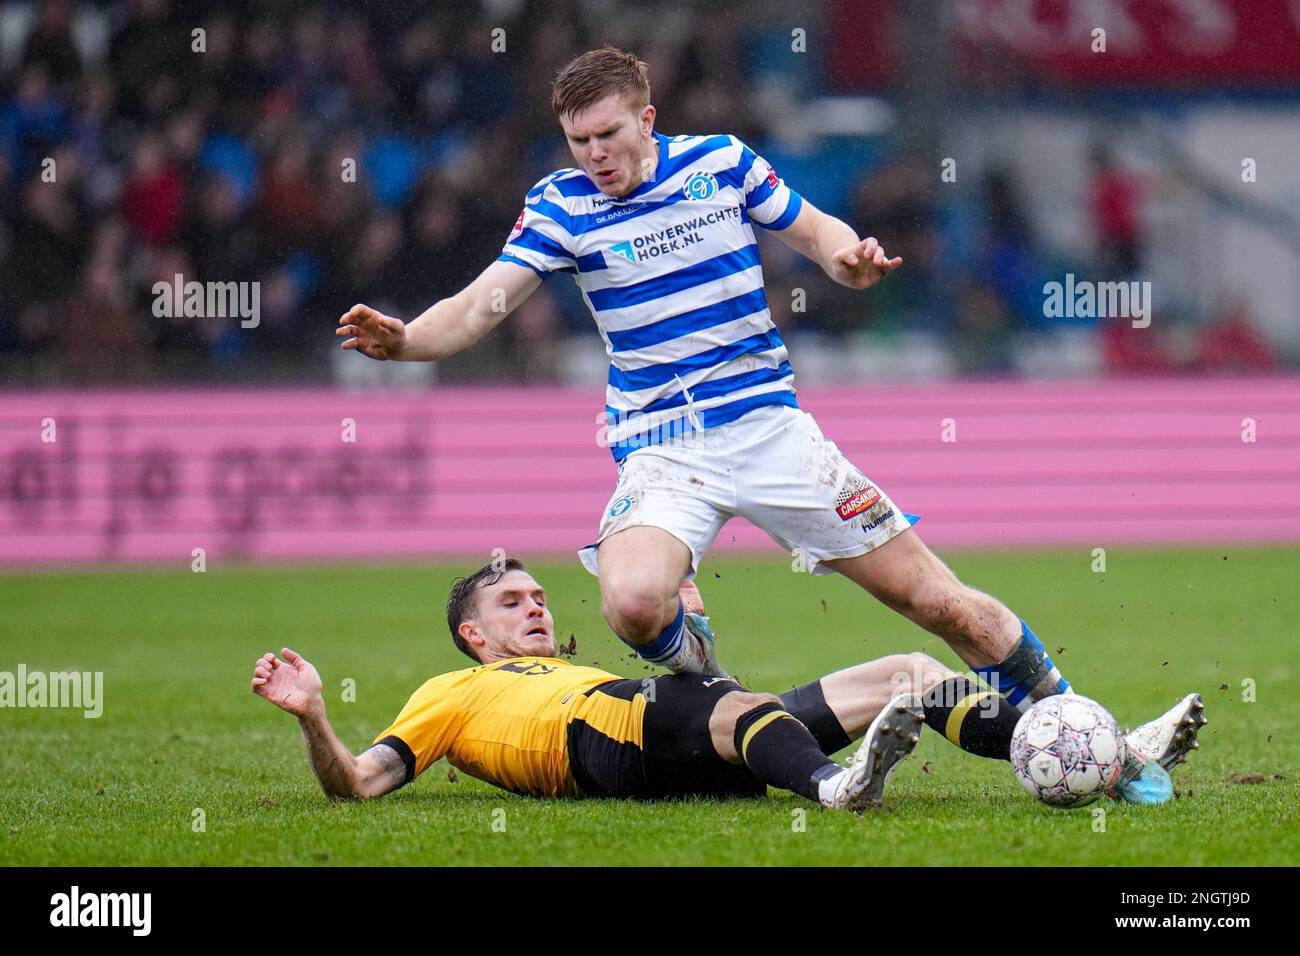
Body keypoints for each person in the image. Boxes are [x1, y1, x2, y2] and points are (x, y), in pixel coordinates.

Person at [334, 48, 1199, 803]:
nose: (595, 155)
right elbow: (482, 304)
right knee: (634, 605)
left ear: (648, 117)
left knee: (943, 607)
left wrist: (851, 262)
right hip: (663, 449)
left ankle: (1102, 743)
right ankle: (695, 651)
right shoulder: (561, 207)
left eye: (608, 134)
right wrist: (408, 340)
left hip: (771, 432)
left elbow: (820, 234)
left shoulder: (721, 164)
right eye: (579, 141)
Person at [251, 560, 1204, 808]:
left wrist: (689, 624)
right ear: (472, 634)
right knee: (708, 703)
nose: (536, 608)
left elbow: (705, 694)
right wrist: (316, 720)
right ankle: (835, 788)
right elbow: (362, 783)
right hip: (593, 745)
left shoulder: (576, 666)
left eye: (540, 596)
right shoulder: (445, 694)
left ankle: (1112, 758)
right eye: (512, 603)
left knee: (914, 671)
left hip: (669, 731)